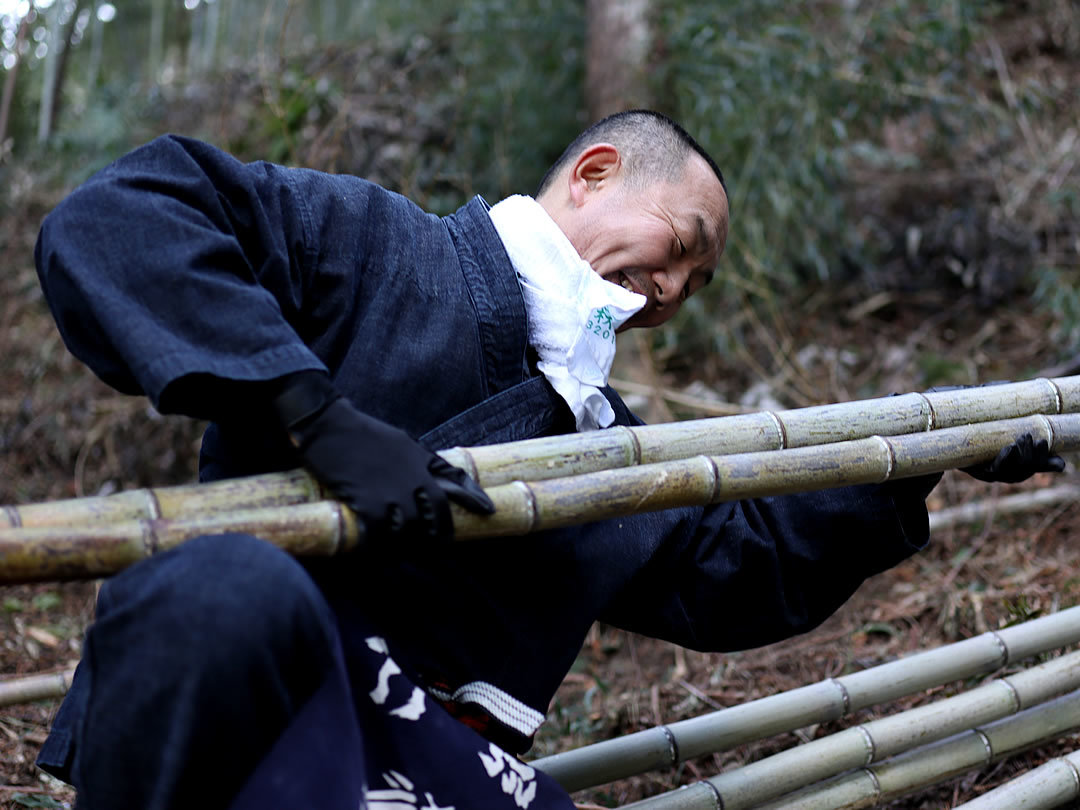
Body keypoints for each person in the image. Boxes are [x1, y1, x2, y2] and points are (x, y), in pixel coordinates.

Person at [30, 109, 1063, 810]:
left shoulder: (610, 442)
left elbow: (745, 562)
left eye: (695, 285)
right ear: (596, 173)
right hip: (245, 706)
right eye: (679, 243)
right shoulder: (369, 243)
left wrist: (929, 454)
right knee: (221, 588)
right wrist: (313, 414)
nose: (669, 292)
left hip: (430, 773)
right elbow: (127, 215)